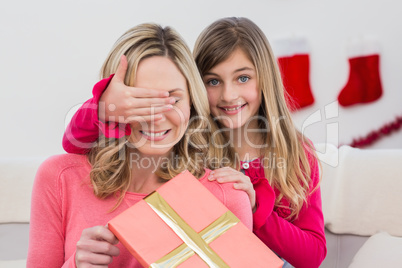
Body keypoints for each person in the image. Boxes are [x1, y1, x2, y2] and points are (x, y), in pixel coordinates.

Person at [62, 17, 327, 268]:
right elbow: (74, 142)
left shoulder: (295, 152)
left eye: (243, 78)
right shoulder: (187, 139)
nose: (229, 95)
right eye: (213, 81)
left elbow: (313, 255)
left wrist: (257, 208)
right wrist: (104, 106)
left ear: (265, 79)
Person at [27, 23, 252, 268]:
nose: (155, 117)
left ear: (192, 103)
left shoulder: (225, 198)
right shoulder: (59, 178)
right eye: (139, 101)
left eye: (173, 99)